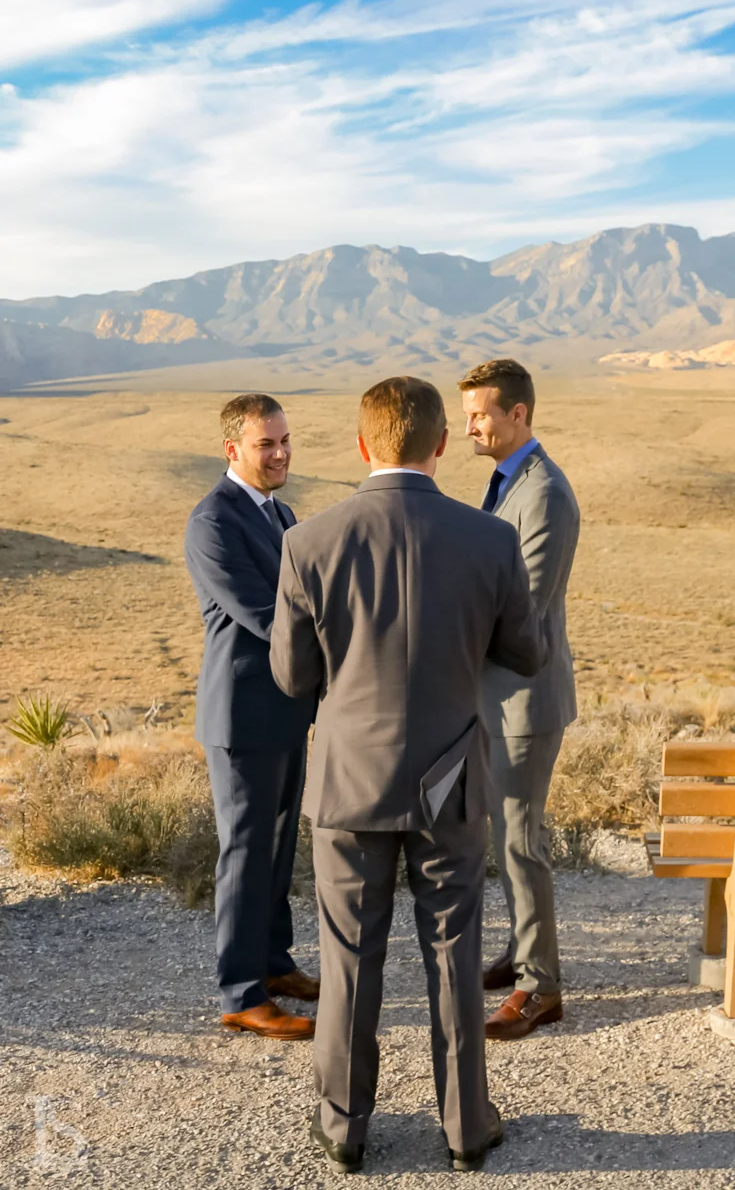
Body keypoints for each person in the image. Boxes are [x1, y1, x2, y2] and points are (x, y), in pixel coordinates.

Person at [269, 377, 548, 1174]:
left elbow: (292, 677)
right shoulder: (490, 539)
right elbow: (527, 653)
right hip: (451, 781)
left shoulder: (308, 542)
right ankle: (466, 1128)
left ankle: (344, 1128)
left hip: (349, 782)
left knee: (349, 957)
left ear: (363, 445)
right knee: (455, 953)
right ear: (440, 445)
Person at [184, 393, 318, 1040]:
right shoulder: (213, 521)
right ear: (232, 449)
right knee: (244, 852)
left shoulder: (279, 512)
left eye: (285, 440)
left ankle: (273, 963)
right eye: (266, 444)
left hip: (286, 710)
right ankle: (241, 993)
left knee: (278, 846)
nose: (281, 453)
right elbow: (265, 615)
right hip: (242, 716)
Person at [460, 359, 580, 1041]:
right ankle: (520, 950)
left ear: (518, 414)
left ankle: (541, 987)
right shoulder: (508, 481)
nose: (470, 427)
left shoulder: (545, 494)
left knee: (521, 839)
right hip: (497, 697)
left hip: (525, 700)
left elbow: (523, 610)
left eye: (480, 414)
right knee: (504, 836)